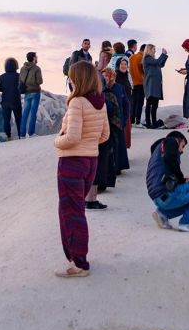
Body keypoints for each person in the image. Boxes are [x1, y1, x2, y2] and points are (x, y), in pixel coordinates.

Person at [54, 61, 110, 277]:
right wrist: (90, 143)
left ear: (77, 79)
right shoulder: (100, 102)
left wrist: (57, 141)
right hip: (90, 161)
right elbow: (104, 136)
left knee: (71, 212)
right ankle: (78, 258)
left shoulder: (77, 102)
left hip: (72, 162)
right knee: (76, 210)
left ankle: (79, 263)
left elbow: (72, 137)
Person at [145, 130, 189, 233]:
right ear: (177, 140)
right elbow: (169, 158)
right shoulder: (171, 141)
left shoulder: (158, 147)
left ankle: (162, 214)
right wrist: (183, 179)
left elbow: (155, 149)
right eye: (182, 145)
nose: (182, 151)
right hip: (167, 194)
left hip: (158, 198)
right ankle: (186, 222)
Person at [91, 68, 120, 203]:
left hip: (107, 130)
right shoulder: (91, 97)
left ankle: (101, 185)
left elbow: (114, 109)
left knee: (106, 159)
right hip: (96, 132)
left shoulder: (108, 95)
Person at [142, 44, 168, 129]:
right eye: (154, 49)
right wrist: (163, 54)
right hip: (151, 85)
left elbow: (161, 64)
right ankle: (149, 123)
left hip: (155, 85)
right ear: (149, 49)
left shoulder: (152, 59)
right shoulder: (147, 58)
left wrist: (164, 56)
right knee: (150, 104)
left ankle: (153, 122)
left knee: (155, 104)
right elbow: (157, 62)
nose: (155, 50)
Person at [0, 57, 23, 140]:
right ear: (16, 66)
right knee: (18, 118)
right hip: (15, 100)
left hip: (5, 100)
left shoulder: (2, 76)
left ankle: (8, 136)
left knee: (6, 120)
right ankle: (20, 135)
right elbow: (22, 87)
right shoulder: (18, 76)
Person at [19, 52, 43, 138]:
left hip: (26, 92)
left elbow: (20, 80)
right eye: (36, 57)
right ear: (33, 58)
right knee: (33, 113)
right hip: (35, 92)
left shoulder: (22, 68)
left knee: (25, 113)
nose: (37, 58)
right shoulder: (37, 68)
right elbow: (40, 81)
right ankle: (31, 133)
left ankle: (22, 134)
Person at [115, 56, 134, 151]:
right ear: (118, 65)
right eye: (121, 64)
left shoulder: (127, 76)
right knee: (121, 132)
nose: (123, 66)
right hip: (119, 108)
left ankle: (124, 154)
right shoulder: (116, 77)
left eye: (125, 64)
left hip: (127, 108)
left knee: (126, 133)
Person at [129, 44, 146, 126]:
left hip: (134, 83)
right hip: (141, 82)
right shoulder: (142, 58)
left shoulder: (131, 57)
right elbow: (143, 70)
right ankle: (138, 121)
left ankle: (132, 120)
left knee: (134, 102)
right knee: (140, 102)